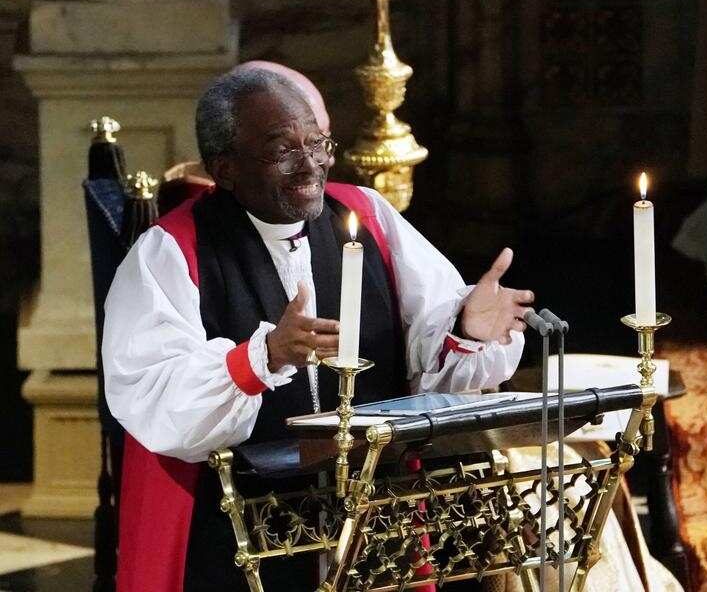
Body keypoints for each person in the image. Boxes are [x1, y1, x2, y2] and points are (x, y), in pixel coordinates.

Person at [102, 67, 533, 591]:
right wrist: (261, 358)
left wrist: (469, 328)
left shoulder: (365, 215)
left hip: (372, 513)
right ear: (225, 168)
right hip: (235, 529)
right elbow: (153, 395)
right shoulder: (170, 251)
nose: (310, 164)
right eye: (281, 149)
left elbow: (430, 351)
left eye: (317, 142)